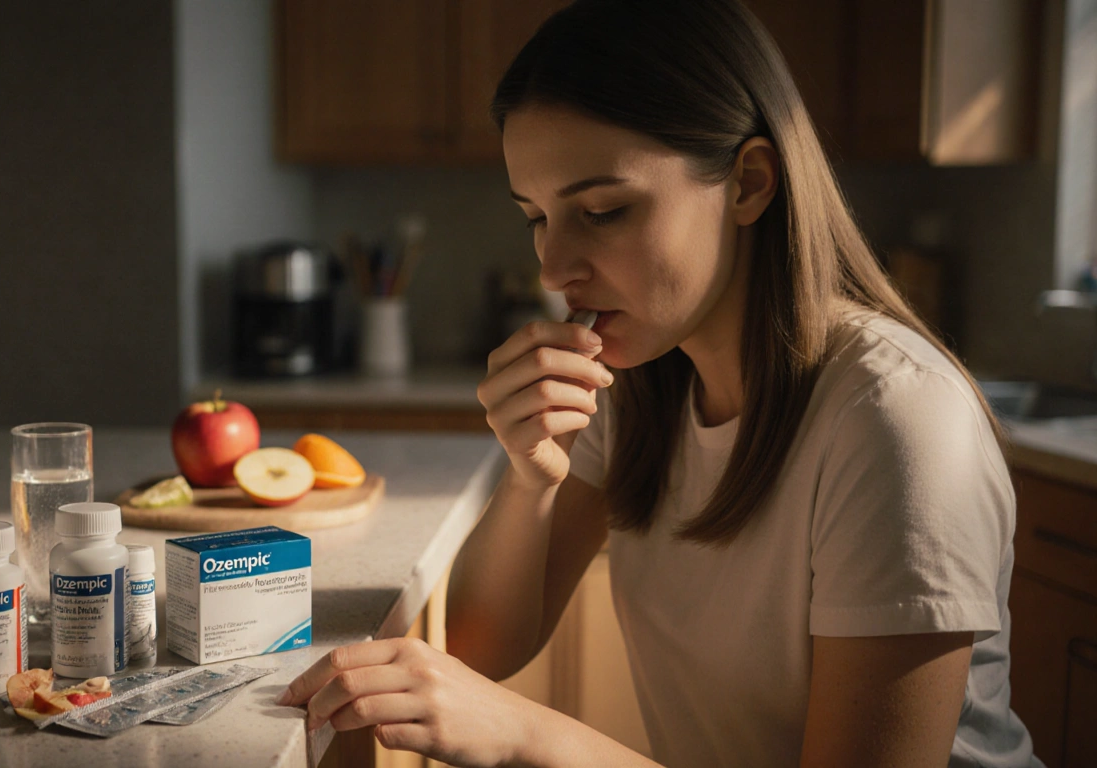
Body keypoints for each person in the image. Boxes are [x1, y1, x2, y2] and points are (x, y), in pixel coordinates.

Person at [275, 0, 1042, 765]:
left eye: (602, 211)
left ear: (748, 183)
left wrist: (527, 736)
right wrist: (530, 480)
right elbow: (477, 650)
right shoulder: (640, 384)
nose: (552, 268)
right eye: (536, 217)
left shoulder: (895, 420)